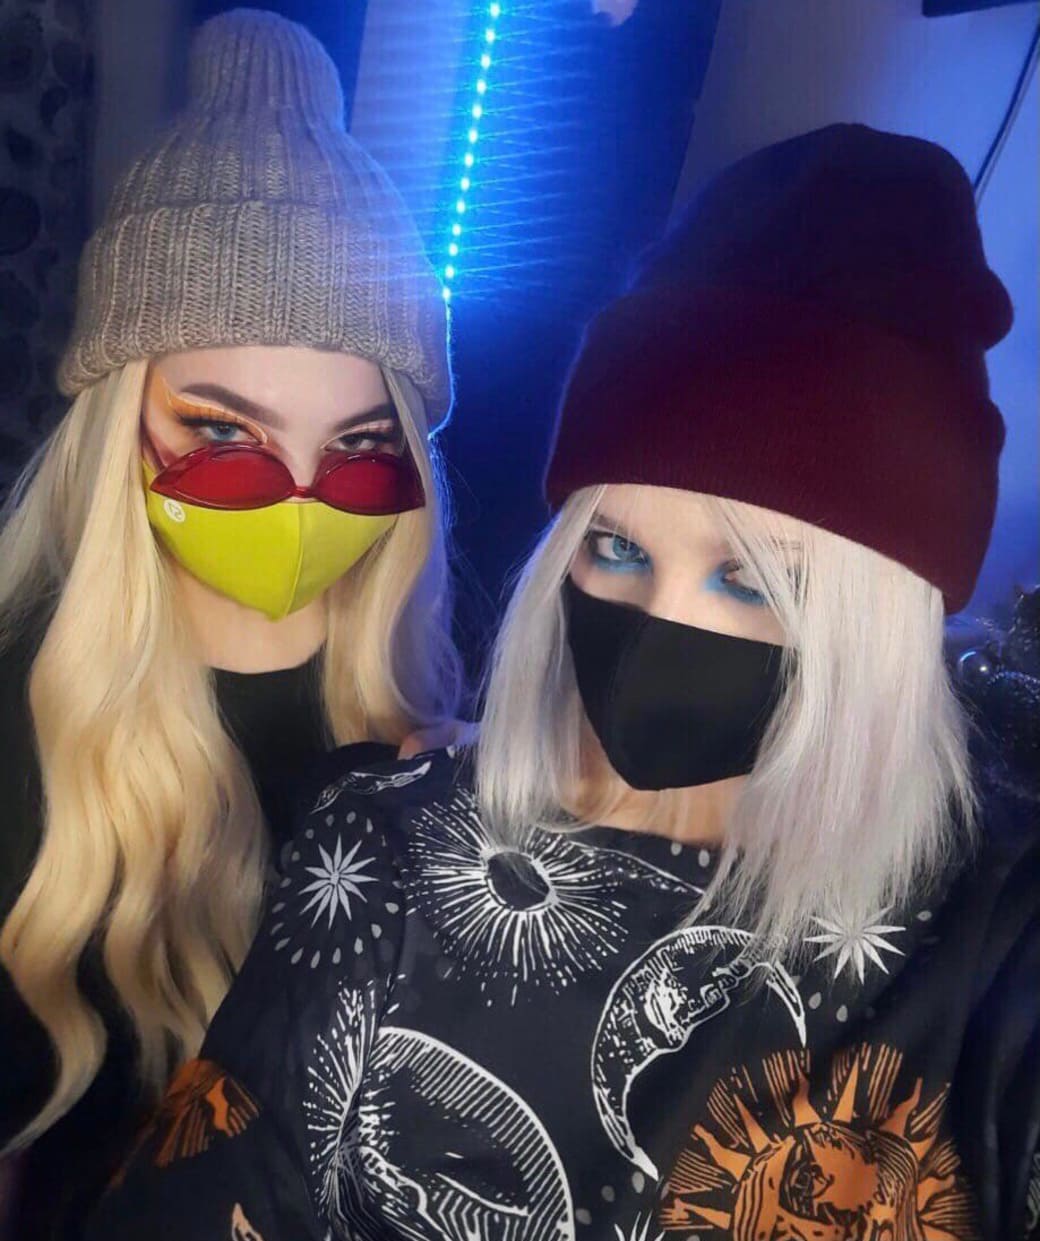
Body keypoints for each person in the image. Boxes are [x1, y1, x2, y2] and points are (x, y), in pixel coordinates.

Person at [88, 125, 1039, 1241]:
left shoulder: (992, 946)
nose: (660, 626)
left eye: (751, 580)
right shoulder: (396, 845)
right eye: (616, 548)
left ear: (880, 620)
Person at [0, 10, 461, 1238]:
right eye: (222, 435)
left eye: (359, 449)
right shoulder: (14, 712)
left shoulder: (425, 711)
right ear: (119, 426)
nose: (298, 502)